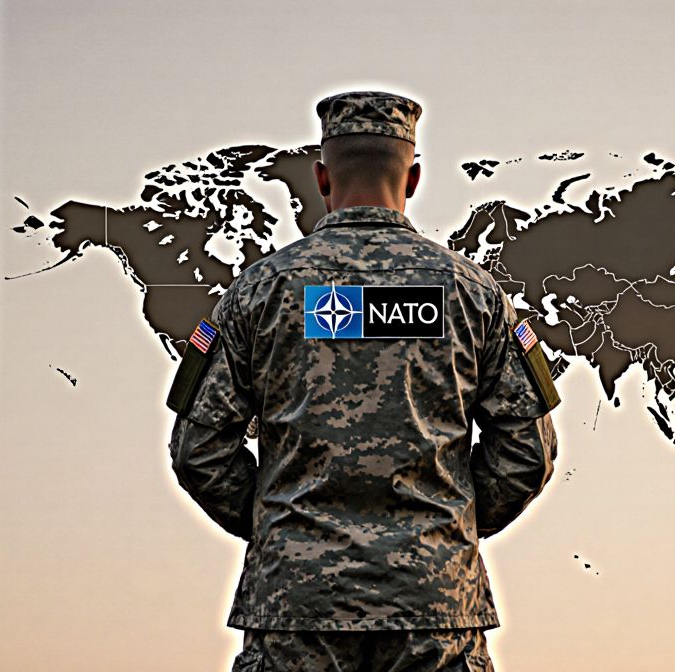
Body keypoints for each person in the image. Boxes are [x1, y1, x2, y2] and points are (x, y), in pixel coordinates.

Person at [166, 91, 558, 672]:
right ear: (415, 177)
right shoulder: (475, 296)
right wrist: (446, 528)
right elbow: (527, 452)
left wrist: (283, 529)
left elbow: (199, 451)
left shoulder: (259, 292)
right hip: (435, 612)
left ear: (322, 177)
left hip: (297, 611)